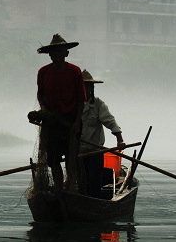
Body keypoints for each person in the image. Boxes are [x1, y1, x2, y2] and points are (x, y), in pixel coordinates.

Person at [35, 34, 87, 190]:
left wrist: (77, 122)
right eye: (54, 51)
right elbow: (41, 94)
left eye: (61, 51)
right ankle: (58, 188)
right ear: (49, 54)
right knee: (53, 159)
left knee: (71, 159)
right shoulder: (43, 72)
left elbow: (80, 100)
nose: (57, 54)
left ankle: (71, 187)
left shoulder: (74, 71)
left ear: (67, 53)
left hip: (71, 120)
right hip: (51, 120)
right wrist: (43, 108)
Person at [79, 70, 126, 198]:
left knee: (94, 184)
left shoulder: (98, 104)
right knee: (78, 183)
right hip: (77, 152)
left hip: (95, 150)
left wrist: (119, 140)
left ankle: (93, 201)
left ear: (91, 88)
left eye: (87, 86)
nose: (85, 89)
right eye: (82, 86)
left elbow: (110, 121)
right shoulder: (71, 104)